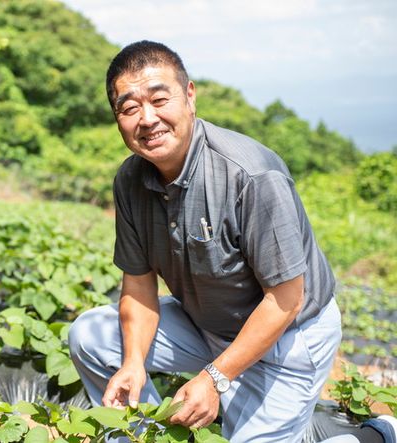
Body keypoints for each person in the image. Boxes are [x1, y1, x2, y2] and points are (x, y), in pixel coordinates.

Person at [68, 40, 344, 442]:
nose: (147, 119)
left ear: (190, 96)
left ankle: (372, 434)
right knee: (90, 334)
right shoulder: (130, 180)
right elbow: (140, 285)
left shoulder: (249, 175)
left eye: (160, 99)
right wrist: (132, 362)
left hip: (288, 338)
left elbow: (286, 298)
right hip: (209, 326)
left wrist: (214, 379)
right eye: (129, 109)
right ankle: (142, 435)